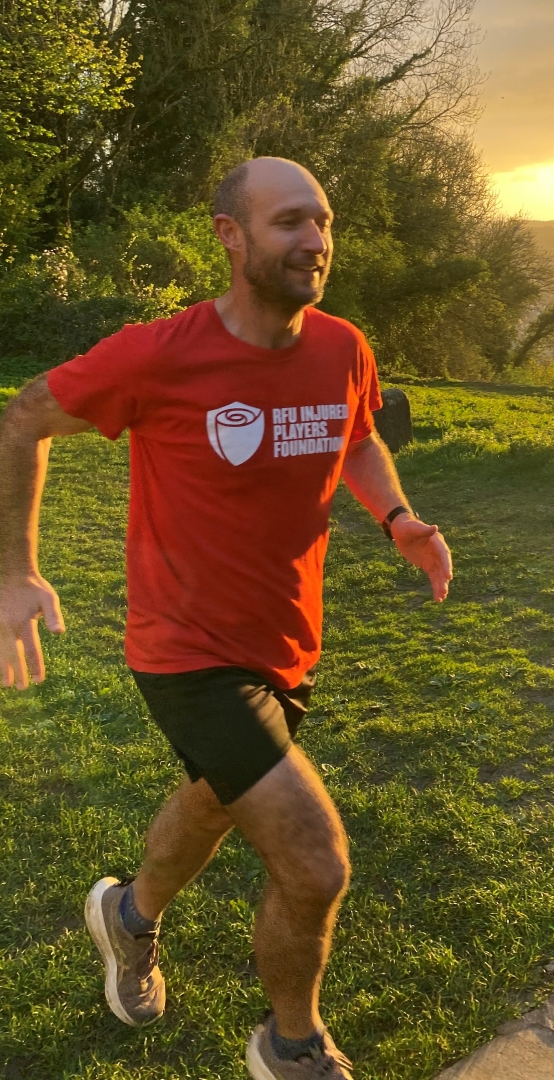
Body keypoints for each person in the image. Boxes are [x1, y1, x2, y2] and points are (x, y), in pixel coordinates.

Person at [0, 157, 453, 1080]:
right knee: (316, 863)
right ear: (230, 235)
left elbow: (357, 433)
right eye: (289, 221)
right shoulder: (157, 354)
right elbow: (23, 419)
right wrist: (15, 568)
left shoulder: (343, 347)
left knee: (216, 798)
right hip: (186, 651)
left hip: (286, 643)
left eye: (323, 222)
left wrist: (397, 518)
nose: (315, 241)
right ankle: (291, 1047)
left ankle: (127, 916)